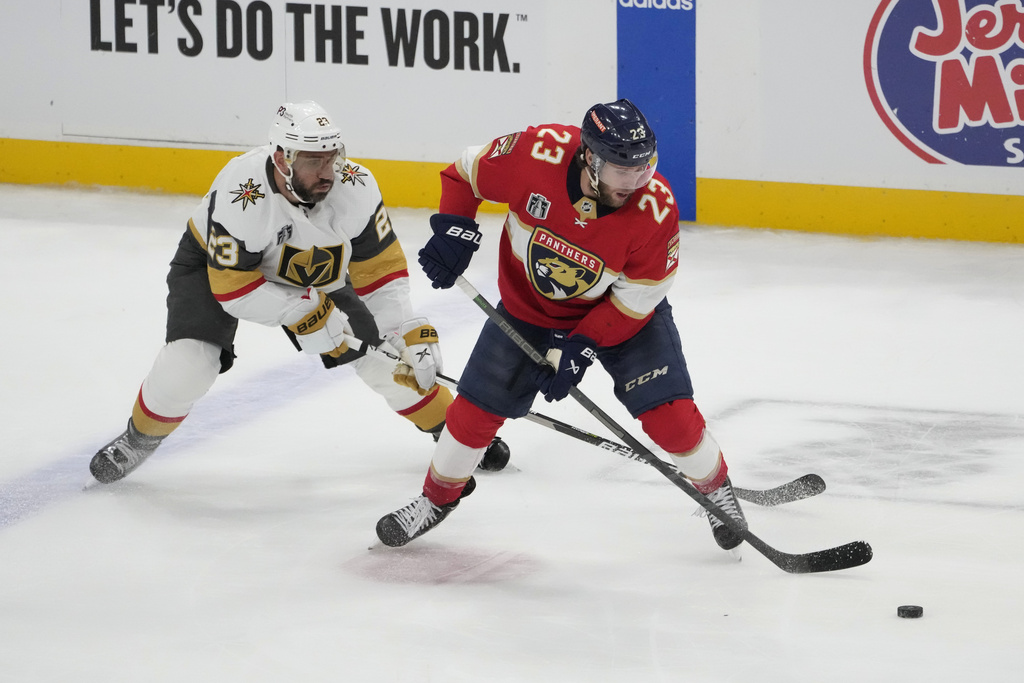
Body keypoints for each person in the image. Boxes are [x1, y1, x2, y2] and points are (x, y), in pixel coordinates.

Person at [375, 98, 747, 553]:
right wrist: (455, 227)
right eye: (620, 170)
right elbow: (464, 173)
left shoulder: (655, 209)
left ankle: (718, 490)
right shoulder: (536, 153)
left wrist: (584, 343)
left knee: (669, 416)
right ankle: (437, 499)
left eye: (643, 168)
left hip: (624, 320)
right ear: (590, 158)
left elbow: (640, 295)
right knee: (472, 414)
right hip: (528, 313)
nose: (634, 183)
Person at [90, 100, 509, 484]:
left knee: (386, 359)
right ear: (281, 158)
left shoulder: (356, 186)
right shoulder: (243, 191)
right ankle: (137, 439)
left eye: (332, 157)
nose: (328, 172)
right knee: (191, 362)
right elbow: (232, 286)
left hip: (312, 267)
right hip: (217, 269)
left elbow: (379, 271)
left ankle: (456, 436)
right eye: (313, 161)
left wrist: (404, 327)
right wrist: (298, 312)